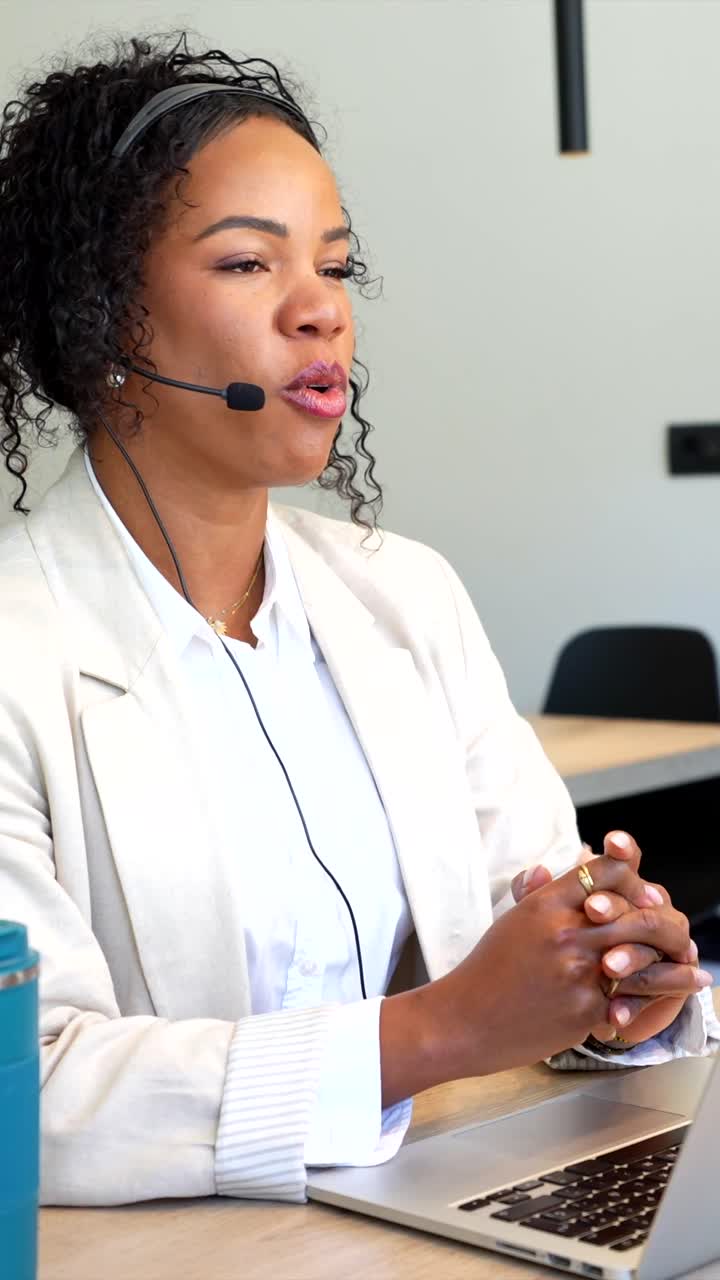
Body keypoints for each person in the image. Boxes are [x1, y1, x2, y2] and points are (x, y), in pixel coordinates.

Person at [0, 32, 716, 1208]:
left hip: (436, 1211)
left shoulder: (406, 594)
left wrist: (609, 968)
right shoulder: (19, 648)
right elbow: (33, 1089)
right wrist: (429, 1032)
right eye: (246, 265)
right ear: (102, 318)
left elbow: (518, 919)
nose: (319, 312)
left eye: (334, 266)